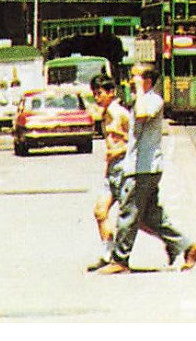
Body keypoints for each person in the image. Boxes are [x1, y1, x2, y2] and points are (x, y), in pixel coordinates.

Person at [92, 64, 196, 275]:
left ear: (147, 80)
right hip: (138, 166)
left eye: (136, 77)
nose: (132, 81)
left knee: (128, 213)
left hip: (144, 167)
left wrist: (141, 91)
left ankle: (120, 260)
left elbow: (141, 115)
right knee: (150, 217)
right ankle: (187, 246)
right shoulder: (142, 99)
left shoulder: (153, 100)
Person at [88, 75, 132, 256]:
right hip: (112, 169)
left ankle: (179, 244)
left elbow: (133, 141)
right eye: (95, 94)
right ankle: (108, 254)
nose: (97, 98)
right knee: (100, 211)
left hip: (124, 168)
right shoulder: (106, 113)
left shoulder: (120, 113)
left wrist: (119, 152)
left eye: (100, 94)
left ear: (111, 93)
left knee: (140, 220)